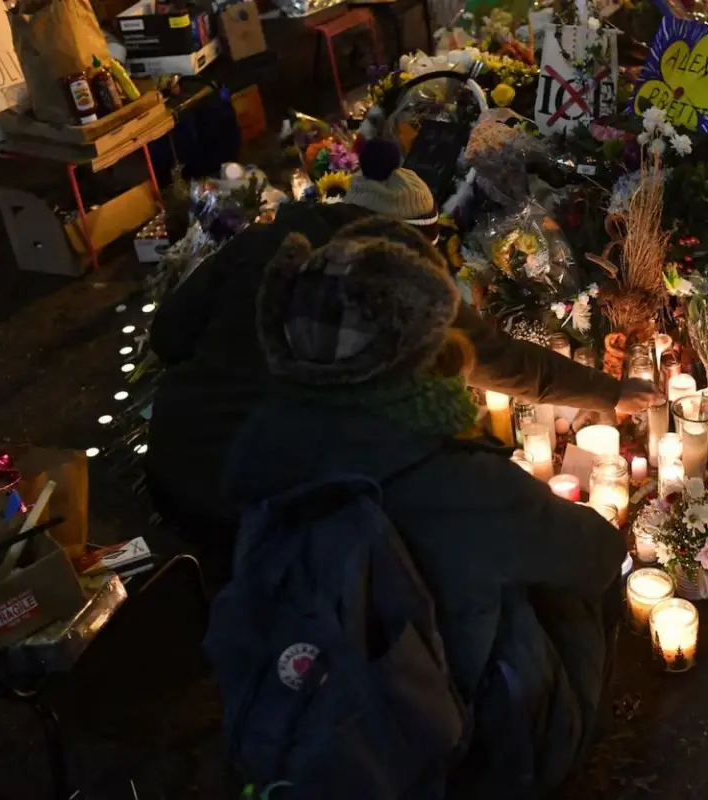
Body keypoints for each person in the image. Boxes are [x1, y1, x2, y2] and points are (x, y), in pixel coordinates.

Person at [224, 221, 625, 796]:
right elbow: (597, 554)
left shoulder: (266, 447)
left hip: (307, 715)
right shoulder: (454, 480)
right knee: (577, 590)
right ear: (417, 355)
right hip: (456, 744)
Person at [146, 140, 656, 552]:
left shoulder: (259, 244)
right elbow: (502, 361)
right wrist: (612, 393)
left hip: (174, 446)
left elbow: (167, 333)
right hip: (261, 491)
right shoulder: (400, 285)